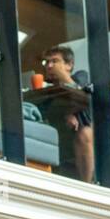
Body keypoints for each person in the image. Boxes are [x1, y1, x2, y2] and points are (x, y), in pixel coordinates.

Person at [38, 43, 95, 182]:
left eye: (55, 61)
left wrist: (62, 75)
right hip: (62, 137)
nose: (49, 66)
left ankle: (87, 185)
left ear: (69, 65)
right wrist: (66, 114)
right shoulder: (46, 90)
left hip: (88, 133)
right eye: (47, 62)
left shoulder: (81, 76)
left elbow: (79, 93)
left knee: (85, 132)